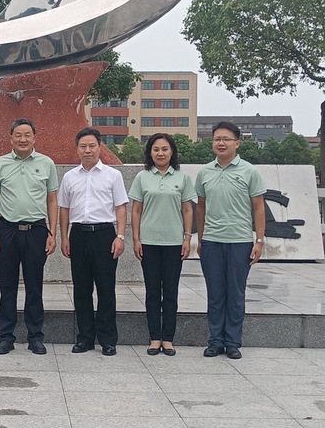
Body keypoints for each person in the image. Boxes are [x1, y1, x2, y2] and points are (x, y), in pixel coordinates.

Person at [196, 121, 266, 360]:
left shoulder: (249, 171)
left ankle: (233, 342)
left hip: (240, 241)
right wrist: (201, 238)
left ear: (237, 143)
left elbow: (259, 208)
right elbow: (201, 207)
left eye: (226, 139)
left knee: (235, 294)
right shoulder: (205, 172)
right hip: (212, 241)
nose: (221, 143)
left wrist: (259, 241)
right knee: (215, 294)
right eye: (217, 139)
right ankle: (215, 341)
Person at [0, 119, 58, 355]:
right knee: (7, 288)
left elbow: (52, 200)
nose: (23, 139)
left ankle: (35, 336)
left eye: (27, 135)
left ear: (35, 138)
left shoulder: (46, 163)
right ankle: (5, 337)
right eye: (18, 135)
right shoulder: (0, 164)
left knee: (34, 287)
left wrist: (52, 232)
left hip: (36, 231)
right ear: (11, 138)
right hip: (6, 231)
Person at [58, 127, 128, 356]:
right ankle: (85, 338)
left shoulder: (113, 175)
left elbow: (121, 207)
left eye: (92, 146)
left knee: (106, 289)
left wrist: (120, 236)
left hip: (104, 234)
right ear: (77, 149)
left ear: (100, 147)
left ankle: (107, 339)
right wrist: (64, 237)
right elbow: (64, 209)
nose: (87, 150)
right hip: (78, 234)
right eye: (83, 146)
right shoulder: (69, 177)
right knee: (81, 289)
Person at [129, 133, 195, 356]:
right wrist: (136, 239)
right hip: (148, 242)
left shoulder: (182, 177)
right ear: (150, 152)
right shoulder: (143, 177)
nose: (160, 153)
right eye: (156, 149)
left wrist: (187, 237)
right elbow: (136, 210)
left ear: (172, 151)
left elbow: (187, 209)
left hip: (174, 242)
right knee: (152, 292)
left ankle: (168, 338)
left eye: (164, 149)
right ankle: (154, 338)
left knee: (171, 292)